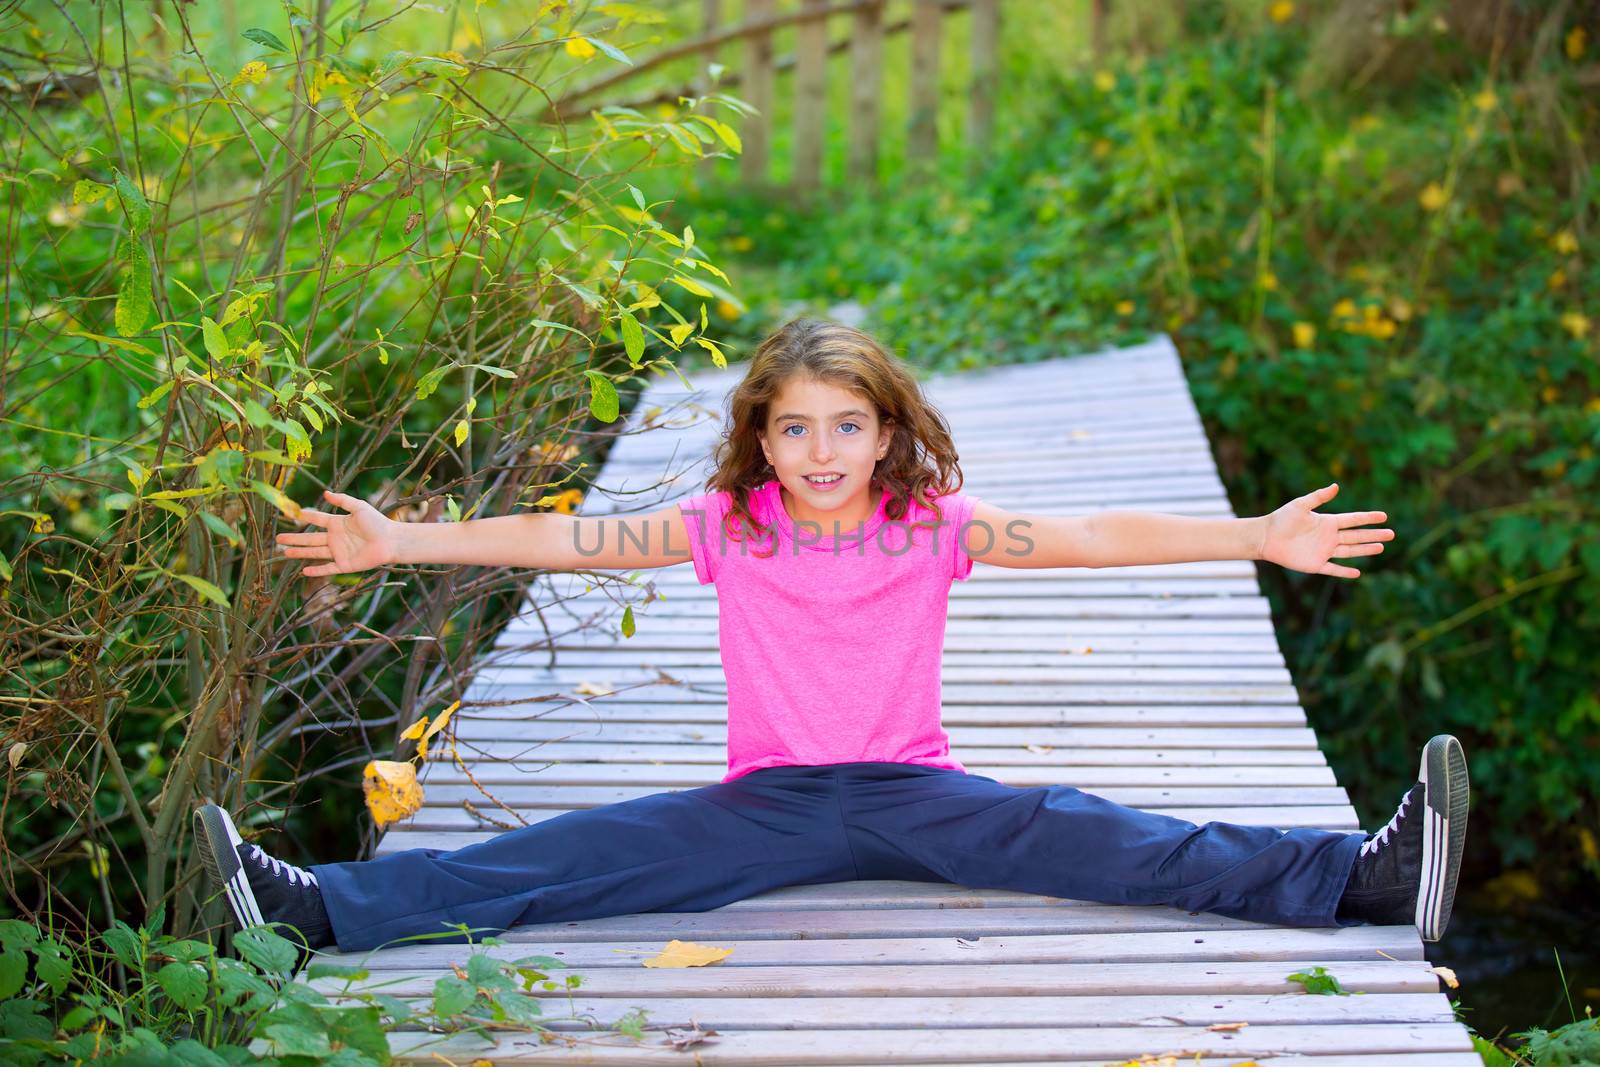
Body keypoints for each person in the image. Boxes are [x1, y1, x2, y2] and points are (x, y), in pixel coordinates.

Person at [195, 318, 1469, 972]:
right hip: (776, 805)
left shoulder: (936, 528)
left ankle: (1359, 877)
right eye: (794, 428)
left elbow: (1088, 530)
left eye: (844, 426)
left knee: (1096, 831)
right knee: (580, 850)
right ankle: (321, 906)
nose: (820, 452)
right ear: (762, 436)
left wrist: (1253, 533)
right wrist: (402, 543)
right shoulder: (722, 530)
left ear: (883, 432)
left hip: (918, 795)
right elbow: (565, 539)